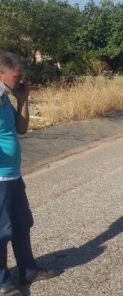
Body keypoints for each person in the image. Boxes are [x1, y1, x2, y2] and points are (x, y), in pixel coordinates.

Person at [0, 52, 63, 296]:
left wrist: (23, 100)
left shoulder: (5, 98)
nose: (21, 81)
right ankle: (3, 282)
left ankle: (28, 271)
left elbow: (22, 129)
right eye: (16, 77)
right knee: (1, 232)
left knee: (21, 224)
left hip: (13, 175)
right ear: (1, 74)